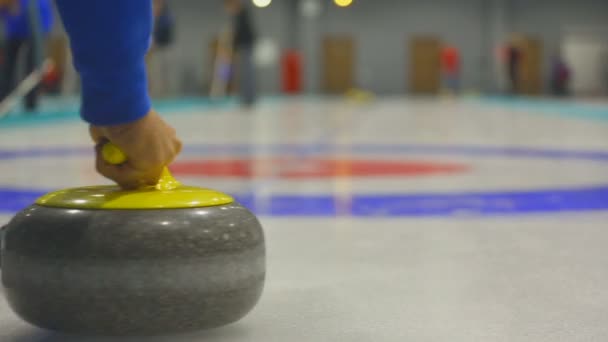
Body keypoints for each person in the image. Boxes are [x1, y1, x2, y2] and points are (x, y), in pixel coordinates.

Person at [0, 0, 182, 189]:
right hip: (22, 24)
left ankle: (31, 104)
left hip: (31, 23)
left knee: (29, 63)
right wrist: (122, 107)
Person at [0, 0, 53, 111]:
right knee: (8, 66)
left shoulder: (34, 7)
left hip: (38, 22)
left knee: (33, 64)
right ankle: (3, 99)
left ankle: (31, 104)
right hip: (14, 27)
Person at [225, 0, 257, 107]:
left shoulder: (241, 13)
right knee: (245, 72)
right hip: (244, 45)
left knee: (246, 73)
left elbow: (240, 32)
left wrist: (234, 43)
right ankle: (246, 97)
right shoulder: (241, 13)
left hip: (245, 45)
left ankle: (248, 98)